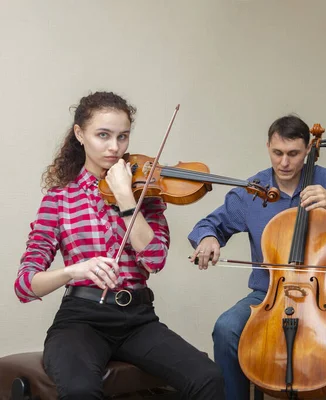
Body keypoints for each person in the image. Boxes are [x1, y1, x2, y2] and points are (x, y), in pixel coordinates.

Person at [15, 91, 225, 399]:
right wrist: (74, 270)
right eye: (103, 135)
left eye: (123, 137)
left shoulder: (145, 191)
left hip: (138, 318)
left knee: (208, 377)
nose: (115, 148)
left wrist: (127, 199)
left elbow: (154, 260)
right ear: (80, 134)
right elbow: (25, 286)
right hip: (80, 319)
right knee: (80, 390)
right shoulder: (59, 199)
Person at [188, 115, 326, 400]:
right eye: (277, 153)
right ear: (268, 146)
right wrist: (207, 238)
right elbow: (208, 225)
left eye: (293, 154)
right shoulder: (252, 191)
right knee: (226, 327)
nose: (284, 163)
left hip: (322, 295)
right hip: (266, 294)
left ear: (307, 150)